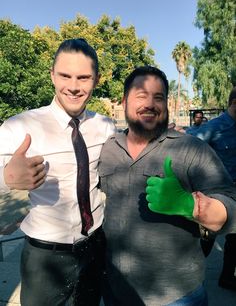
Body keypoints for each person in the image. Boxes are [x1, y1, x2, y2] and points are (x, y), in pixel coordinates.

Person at [98, 66, 236, 306]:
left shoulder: (190, 149)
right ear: (124, 101)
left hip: (176, 295)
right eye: (141, 95)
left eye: (158, 97)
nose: (150, 103)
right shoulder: (108, 148)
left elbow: (233, 209)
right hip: (115, 290)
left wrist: (190, 205)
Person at [0, 38, 116, 306]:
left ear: (96, 80)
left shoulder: (106, 126)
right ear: (52, 75)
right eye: (65, 75)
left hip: (94, 248)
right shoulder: (20, 126)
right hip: (44, 257)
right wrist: (6, 178)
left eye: (83, 77)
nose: (74, 87)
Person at [196, 87, 236, 291]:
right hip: (217, 192)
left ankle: (227, 277)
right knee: (207, 238)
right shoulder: (215, 127)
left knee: (235, 240)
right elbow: (192, 145)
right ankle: (190, 278)